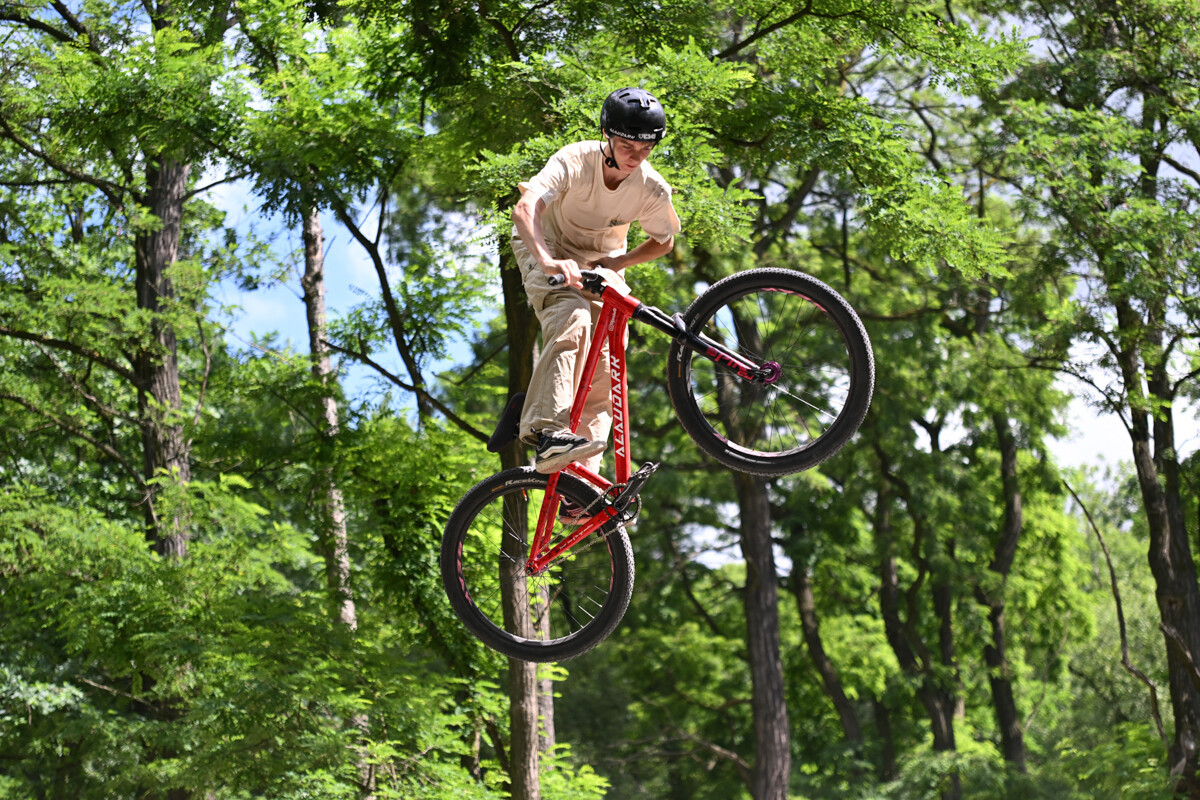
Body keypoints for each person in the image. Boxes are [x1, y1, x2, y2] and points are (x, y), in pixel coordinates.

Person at [510, 87, 681, 521]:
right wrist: (548, 260)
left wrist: (620, 260)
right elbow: (525, 207)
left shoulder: (651, 188)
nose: (635, 156)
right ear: (606, 134)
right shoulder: (576, 159)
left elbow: (664, 240)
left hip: (599, 265)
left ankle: (578, 488)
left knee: (607, 367)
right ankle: (546, 430)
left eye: (645, 148)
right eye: (626, 146)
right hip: (545, 245)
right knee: (572, 317)